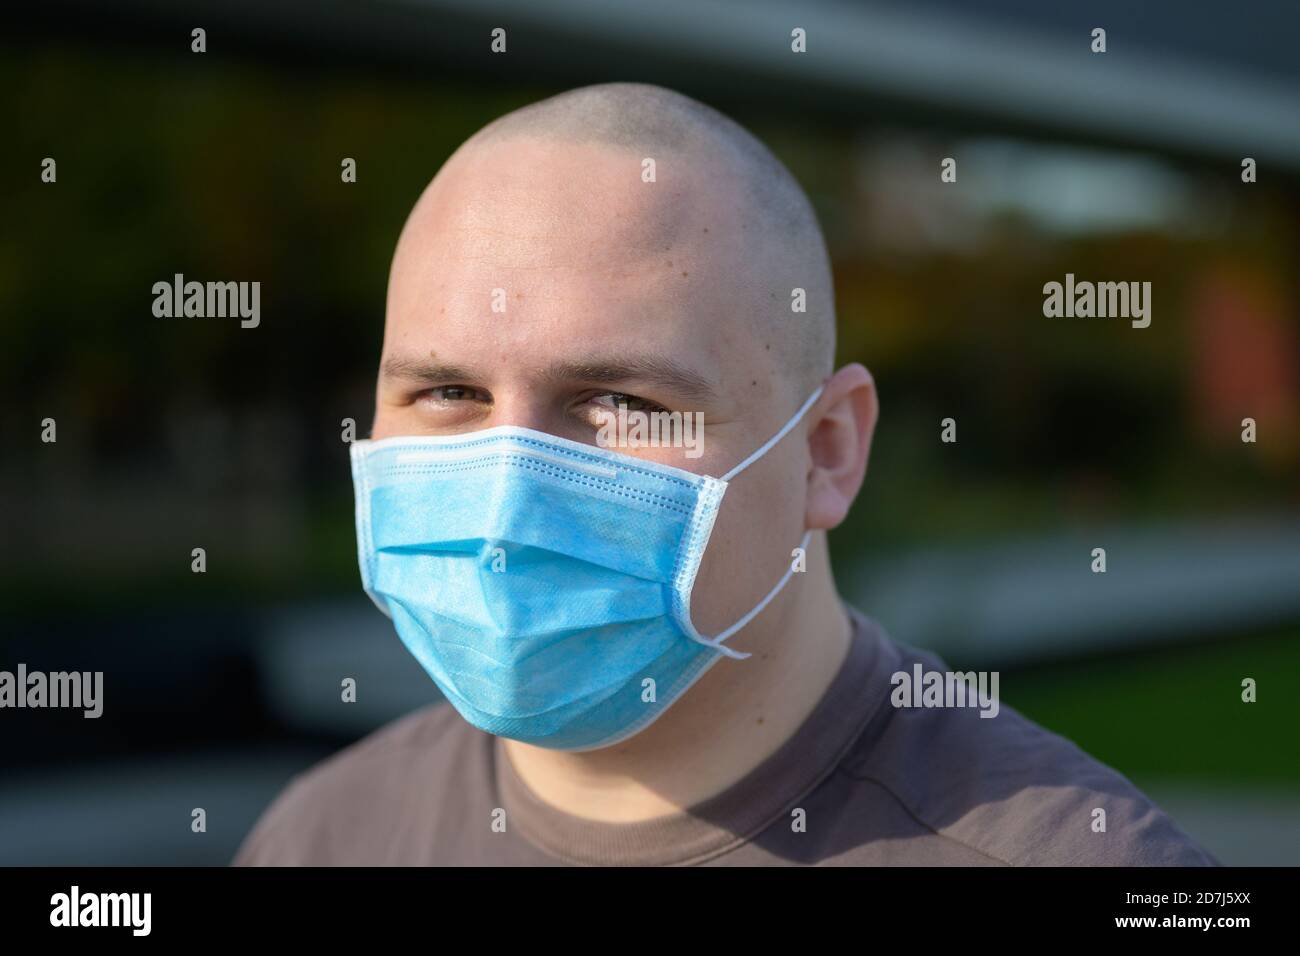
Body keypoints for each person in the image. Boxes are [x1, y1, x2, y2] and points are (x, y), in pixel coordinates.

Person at [234, 83, 1218, 866]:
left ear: (825, 450)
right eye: (448, 391)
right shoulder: (321, 835)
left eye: (620, 401)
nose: (506, 496)